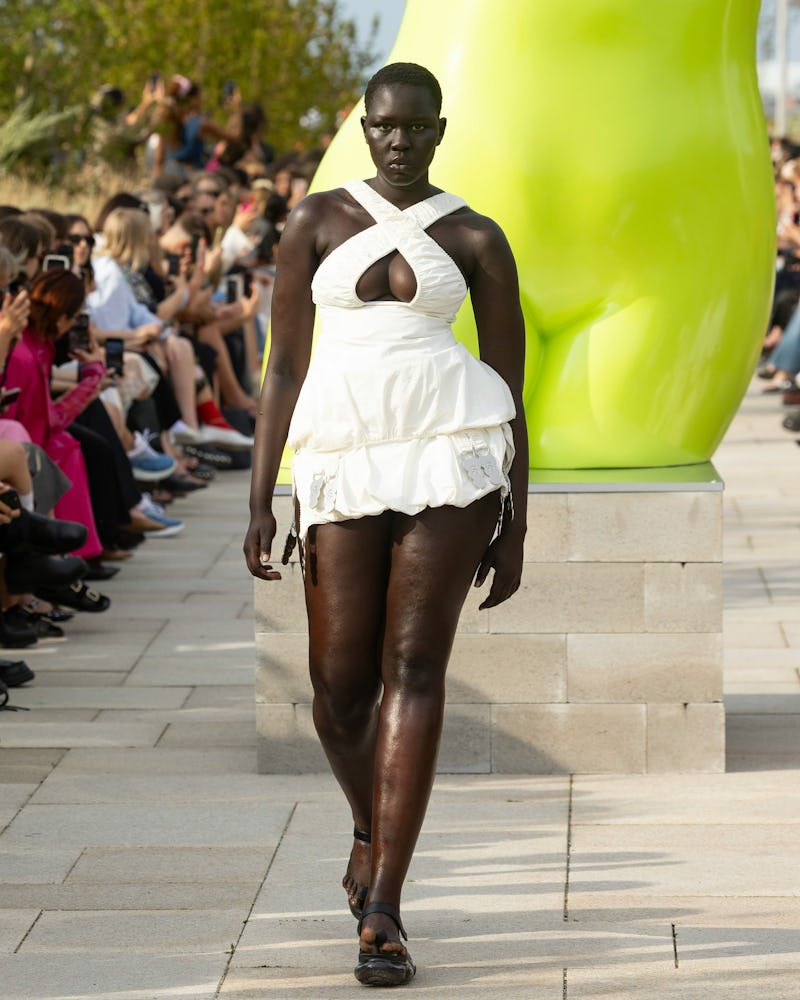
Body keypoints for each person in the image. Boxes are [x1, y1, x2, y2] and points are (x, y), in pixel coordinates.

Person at [244, 62, 528, 987]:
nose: (398, 141)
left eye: (415, 127)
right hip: (340, 457)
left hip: (451, 455)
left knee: (413, 669)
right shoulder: (315, 221)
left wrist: (519, 519)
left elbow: (512, 387)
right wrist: (263, 493)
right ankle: (370, 826)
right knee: (335, 689)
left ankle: (384, 910)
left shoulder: (478, 235)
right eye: (383, 126)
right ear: (364, 128)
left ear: (440, 130)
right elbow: (282, 367)